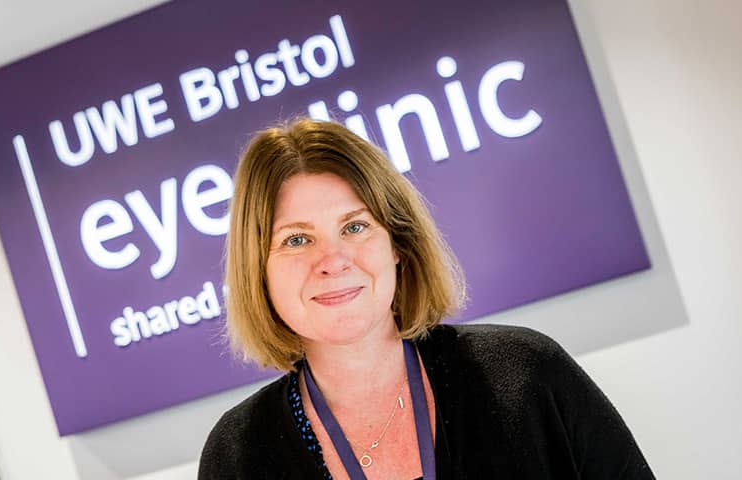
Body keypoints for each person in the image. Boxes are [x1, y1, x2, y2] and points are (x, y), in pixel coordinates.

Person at [198, 118, 654, 479]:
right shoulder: (238, 455)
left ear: (396, 245)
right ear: (258, 270)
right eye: (297, 240)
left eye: (355, 227)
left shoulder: (526, 374)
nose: (332, 260)